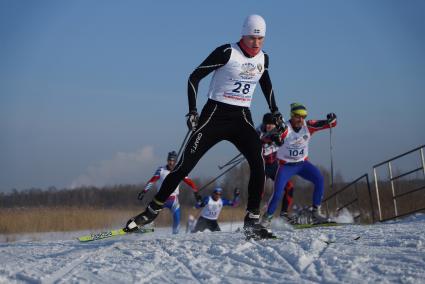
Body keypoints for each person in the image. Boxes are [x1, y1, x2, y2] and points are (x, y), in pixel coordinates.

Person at [125, 15, 285, 239]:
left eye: (261, 38)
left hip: (241, 117)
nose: (256, 43)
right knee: (183, 167)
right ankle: (151, 212)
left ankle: (252, 221)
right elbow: (194, 78)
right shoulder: (227, 52)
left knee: (258, 162)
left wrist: (275, 110)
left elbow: (265, 81)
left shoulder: (263, 59)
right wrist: (192, 111)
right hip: (215, 116)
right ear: (243, 34)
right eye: (252, 38)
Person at [261, 103, 337, 227]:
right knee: (278, 192)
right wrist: (273, 138)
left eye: (303, 116)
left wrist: (332, 118)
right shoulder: (285, 129)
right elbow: (265, 139)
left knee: (319, 179)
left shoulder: (309, 126)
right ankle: (266, 218)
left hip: (303, 164)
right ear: (292, 115)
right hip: (286, 166)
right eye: (298, 116)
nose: (301, 119)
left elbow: (332, 123)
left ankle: (315, 212)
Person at [136, 151, 198, 234]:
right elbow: (152, 181)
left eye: (173, 161)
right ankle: (140, 228)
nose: (171, 163)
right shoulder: (161, 170)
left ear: (176, 161)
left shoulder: (180, 170)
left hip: (173, 200)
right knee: (150, 215)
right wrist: (144, 191)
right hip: (160, 199)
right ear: (167, 160)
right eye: (169, 160)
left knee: (177, 218)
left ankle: (175, 236)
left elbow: (189, 182)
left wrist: (196, 191)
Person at [257, 113, 295, 222]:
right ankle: (254, 216)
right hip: (262, 166)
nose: (269, 126)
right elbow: (259, 140)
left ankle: (284, 214)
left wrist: (280, 139)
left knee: (289, 187)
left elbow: (287, 131)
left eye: (271, 124)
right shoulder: (259, 130)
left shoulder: (280, 127)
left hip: (275, 166)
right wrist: (269, 138)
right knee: (259, 190)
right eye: (267, 124)